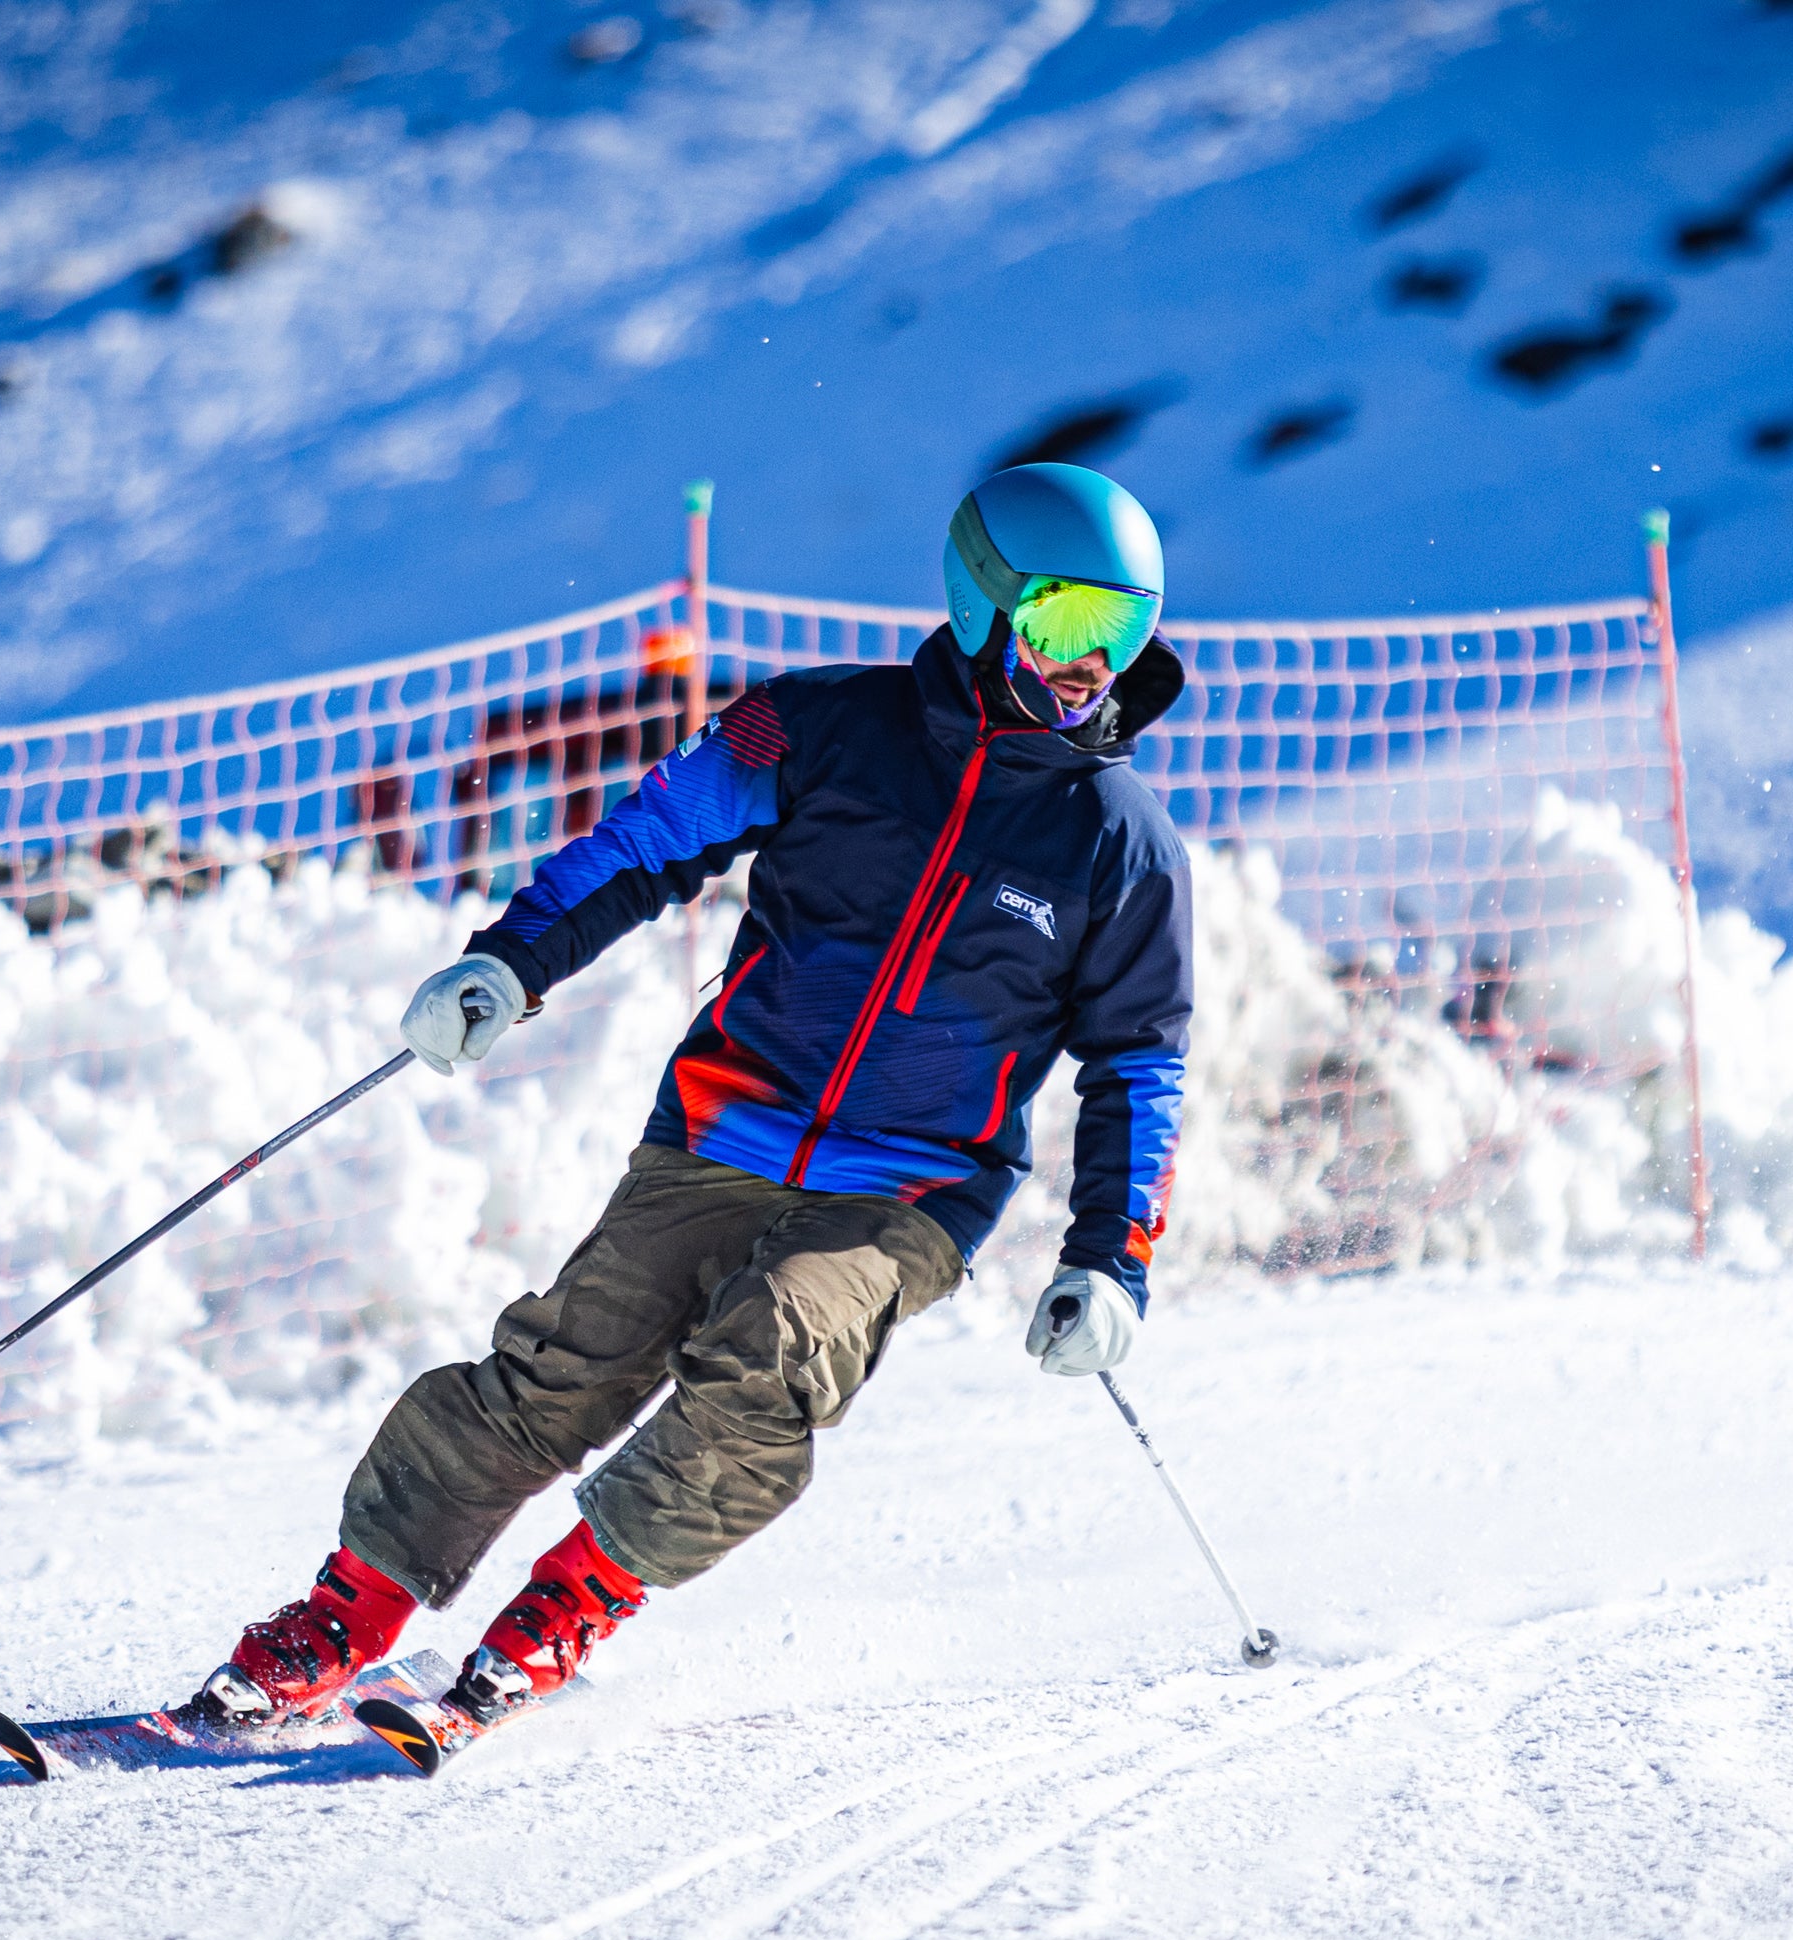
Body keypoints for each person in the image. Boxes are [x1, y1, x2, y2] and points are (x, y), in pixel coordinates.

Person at [193, 463, 1194, 1732]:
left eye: (1123, 632)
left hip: (910, 1190)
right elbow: (644, 840)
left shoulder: (1121, 841)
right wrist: (512, 959)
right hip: (722, 1129)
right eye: (1063, 621)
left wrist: (1112, 1259)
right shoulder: (818, 726)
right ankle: (349, 1609)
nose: (1086, 664)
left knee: (772, 1342)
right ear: (985, 599)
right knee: (561, 1371)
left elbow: (1139, 1062)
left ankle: (567, 1607)